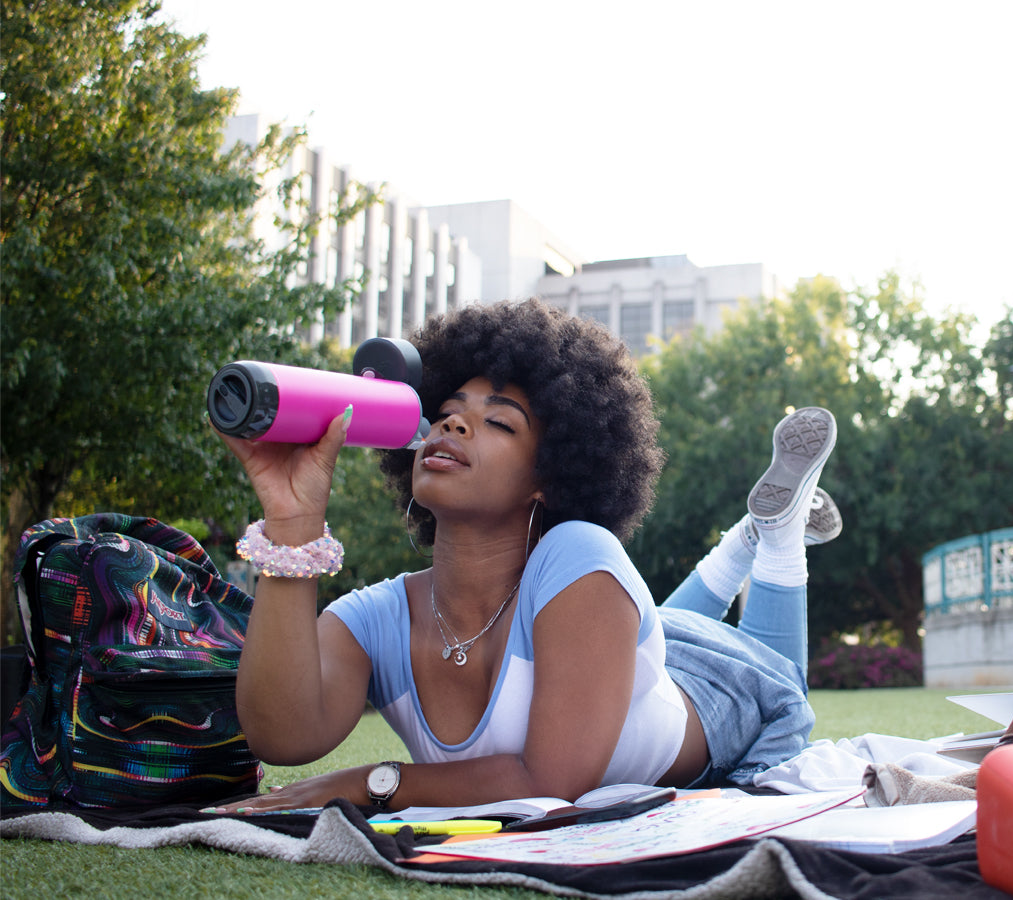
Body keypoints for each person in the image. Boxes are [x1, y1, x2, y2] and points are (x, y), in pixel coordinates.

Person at [209, 298, 838, 813]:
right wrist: (293, 521)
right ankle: (746, 540)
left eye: (500, 423)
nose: (451, 426)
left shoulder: (579, 553)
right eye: (445, 413)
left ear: (551, 475)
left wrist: (373, 781)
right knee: (661, 632)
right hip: (618, 645)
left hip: (722, 692)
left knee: (784, 680)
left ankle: (774, 541)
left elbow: (551, 783)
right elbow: (282, 735)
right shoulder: (378, 615)